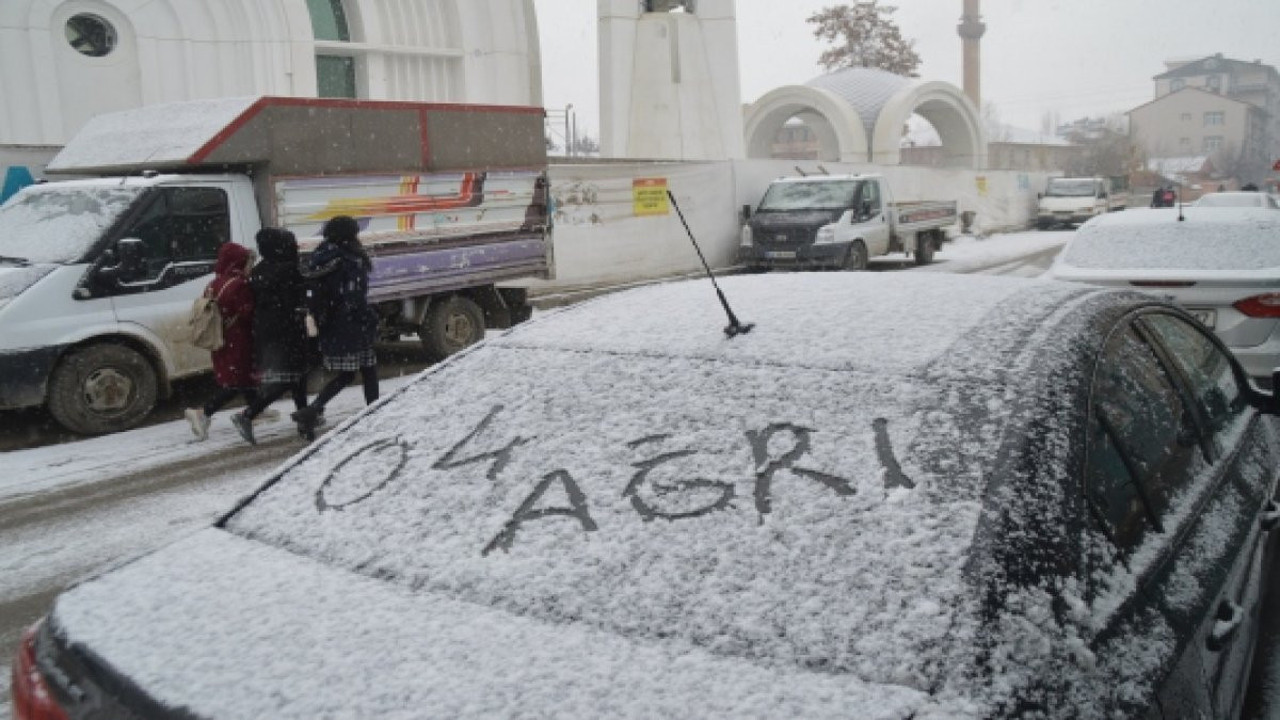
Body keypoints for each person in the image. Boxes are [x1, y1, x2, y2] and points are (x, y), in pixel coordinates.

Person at [290, 216, 379, 439]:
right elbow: (354, 297)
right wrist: (369, 319)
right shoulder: (350, 259)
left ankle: (314, 408)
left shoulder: (320, 255)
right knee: (368, 370)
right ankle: (377, 412)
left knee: (347, 373)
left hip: (329, 325)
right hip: (352, 325)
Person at [230, 228, 311, 445]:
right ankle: (248, 414)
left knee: (295, 378)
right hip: (289, 329)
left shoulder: (259, 270)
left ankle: (306, 424)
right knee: (292, 378)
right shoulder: (289, 269)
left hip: (266, 330)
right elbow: (296, 301)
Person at [185, 242, 258, 440]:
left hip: (220, 337)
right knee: (238, 381)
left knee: (242, 377)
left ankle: (257, 408)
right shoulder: (239, 284)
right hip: (239, 339)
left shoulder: (213, 283)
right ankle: (203, 413)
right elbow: (248, 314)